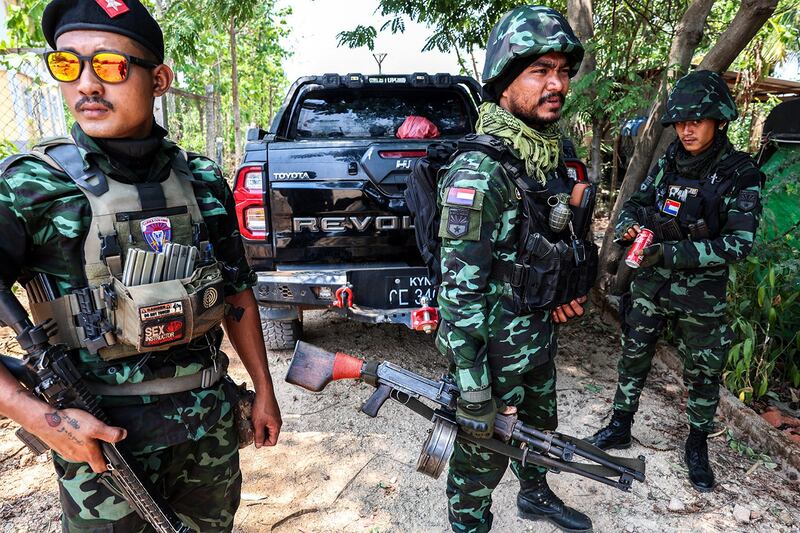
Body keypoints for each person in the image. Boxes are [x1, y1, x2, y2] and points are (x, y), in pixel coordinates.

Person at [0, 1, 282, 531]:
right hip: (102, 445)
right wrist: (40, 417)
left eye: (109, 66)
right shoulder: (30, 187)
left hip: (208, 430)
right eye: (67, 65)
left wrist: (263, 390)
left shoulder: (201, 180)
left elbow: (237, 294)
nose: (86, 84)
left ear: (159, 80)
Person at [436, 5, 594, 532]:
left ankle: (535, 496)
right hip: (494, 357)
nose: (557, 84)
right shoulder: (479, 173)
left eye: (563, 72)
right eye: (540, 70)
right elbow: (458, 294)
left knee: (540, 429)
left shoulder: (540, 157)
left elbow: (542, 247)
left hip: (535, 338)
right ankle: (468, 524)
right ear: (504, 81)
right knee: (482, 457)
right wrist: (474, 387)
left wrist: (563, 289)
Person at [585, 70, 762, 493]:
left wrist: (670, 252)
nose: (686, 129)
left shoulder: (741, 173)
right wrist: (627, 224)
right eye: (680, 121)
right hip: (650, 287)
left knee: (703, 371)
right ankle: (620, 425)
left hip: (701, 297)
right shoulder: (668, 162)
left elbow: (738, 244)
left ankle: (697, 444)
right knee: (633, 355)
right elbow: (637, 204)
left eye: (696, 121)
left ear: (719, 120)